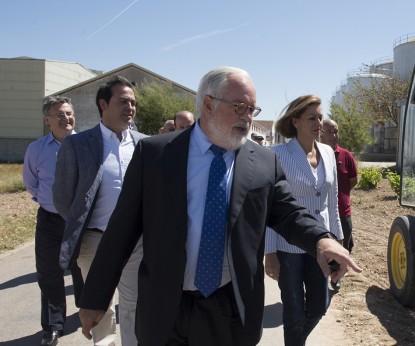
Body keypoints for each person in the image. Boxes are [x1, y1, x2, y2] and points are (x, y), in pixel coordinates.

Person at [75, 66, 361, 346]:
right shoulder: (156, 155)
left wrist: (321, 240)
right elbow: (121, 231)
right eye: (239, 107)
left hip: (229, 306)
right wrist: (95, 299)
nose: (247, 117)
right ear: (208, 105)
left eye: (252, 109)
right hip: (165, 306)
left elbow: (288, 212)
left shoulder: (263, 162)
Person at [53, 75, 147, 346]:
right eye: (123, 102)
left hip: (136, 242)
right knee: (99, 307)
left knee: (134, 304)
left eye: (133, 102)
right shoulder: (78, 144)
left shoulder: (145, 144)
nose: (130, 107)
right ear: (103, 104)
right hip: (94, 242)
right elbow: (62, 198)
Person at [264, 95, 343, 346]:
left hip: (321, 242)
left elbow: (332, 201)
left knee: (320, 305)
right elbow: (270, 207)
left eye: (320, 117)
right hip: (288, 247)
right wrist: (270, 252)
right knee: (294, 311)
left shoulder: (328, 153)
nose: (318, 123)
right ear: (295, 121)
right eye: (311, 118)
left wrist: (338, 240)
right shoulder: (277, 154)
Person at [22, 95, 84, 346]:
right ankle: (53, 326)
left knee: (83, 270)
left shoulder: (86, 144)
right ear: (47, 120)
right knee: (49, 274)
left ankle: (87, 312)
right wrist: (50, 203)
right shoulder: (36, 149)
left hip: (81, 220)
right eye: (59, 114)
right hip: (49, 220)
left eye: (69, 113)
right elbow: (31, 183)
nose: (66, 118)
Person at [320, 118, 358, 290]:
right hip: (320, 213)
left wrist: (340, 196)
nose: (334, 135)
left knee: (345, 245)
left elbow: (353, 181)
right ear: (320, 133)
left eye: (336, 131)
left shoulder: (346, 156)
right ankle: (319, 279)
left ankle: (336, 276)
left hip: (343, 212)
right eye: (330, 131)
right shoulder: (314, 155)